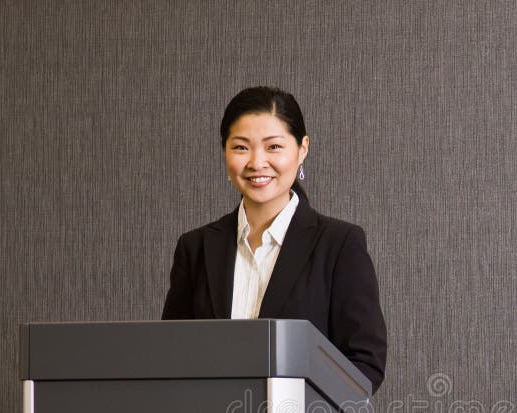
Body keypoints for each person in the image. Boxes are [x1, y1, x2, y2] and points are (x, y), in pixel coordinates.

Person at [162, 86, 387, 392]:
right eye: (241, 147)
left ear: (302, 149)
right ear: (224, 150)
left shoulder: (339, 244)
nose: (257, 162)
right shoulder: (195, 248)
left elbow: (364, 363)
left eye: (273, 147)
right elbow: (169, 357)